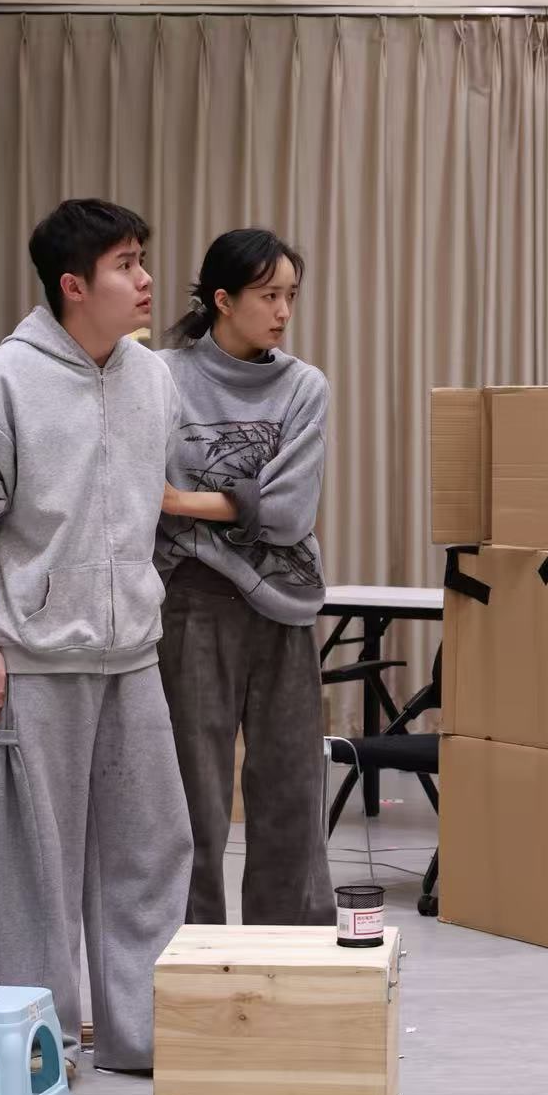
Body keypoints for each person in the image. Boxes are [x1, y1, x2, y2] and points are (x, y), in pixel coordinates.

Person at [0, 198, 193, 1076]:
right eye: (126, 264)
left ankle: (139, 1034)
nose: (146, 279)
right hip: (34, 660)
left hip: (134, 655)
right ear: (74, 285)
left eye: (143, 259)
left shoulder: (153, 378)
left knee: (153, 851)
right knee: (37, 869)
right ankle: (41, 1046)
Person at [157, 228, 335, 927]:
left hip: (284, 603)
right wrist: (239, 501)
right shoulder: (161, 378)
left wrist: (178, 500)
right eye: (268, 296)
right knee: (192, 796)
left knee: (292, 788)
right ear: (223, 300)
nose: (283, 311)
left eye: (291, 295)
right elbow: (133, 489)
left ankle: (290, 954)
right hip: (191, 603)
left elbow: (289, 512)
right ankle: (190, 955)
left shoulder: (303, 386)